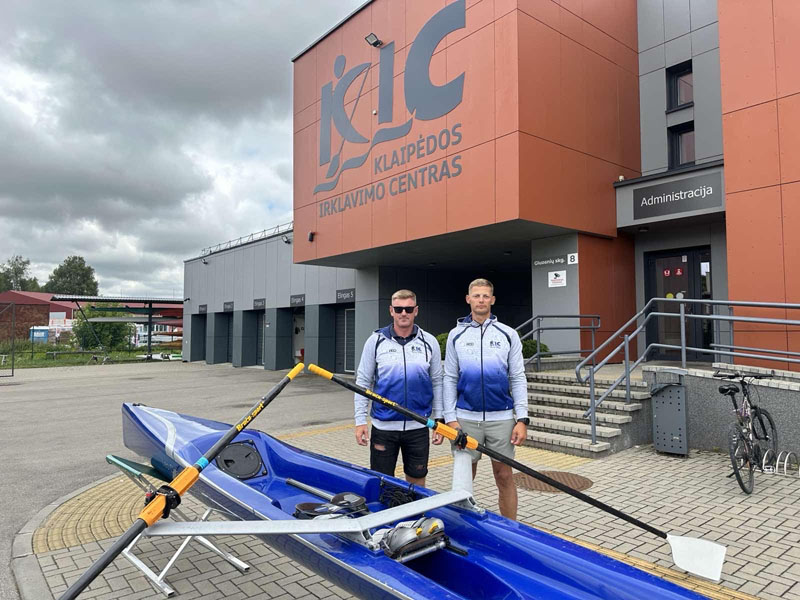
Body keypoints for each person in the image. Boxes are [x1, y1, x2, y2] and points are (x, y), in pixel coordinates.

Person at [443, 278, 528, 519]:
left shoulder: (508, 334)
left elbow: (518, 377)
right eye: (476, 296)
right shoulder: (455, 335)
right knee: (464, 477)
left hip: (501, 419)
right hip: (465, 419)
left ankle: (510, 528)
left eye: (485, 296)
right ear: (468, 299)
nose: (481, 300)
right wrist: (450, 419)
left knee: (504, 476)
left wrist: (522, 419)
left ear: (492, 300)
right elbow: (449, 378)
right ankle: (462, 525)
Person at [354, 289, 443, 486]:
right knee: (383, 484)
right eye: (399, 309)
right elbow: (363, 382)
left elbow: (437, 381)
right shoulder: (375, 341)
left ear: (416, 311)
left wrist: (440, 419)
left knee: (417, 483)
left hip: (419, 426)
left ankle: (415, 508)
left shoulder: (429, 342)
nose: (404, 313)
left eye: (408, 309)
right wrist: (360, 421)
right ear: (391, 311)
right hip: (383, 427)